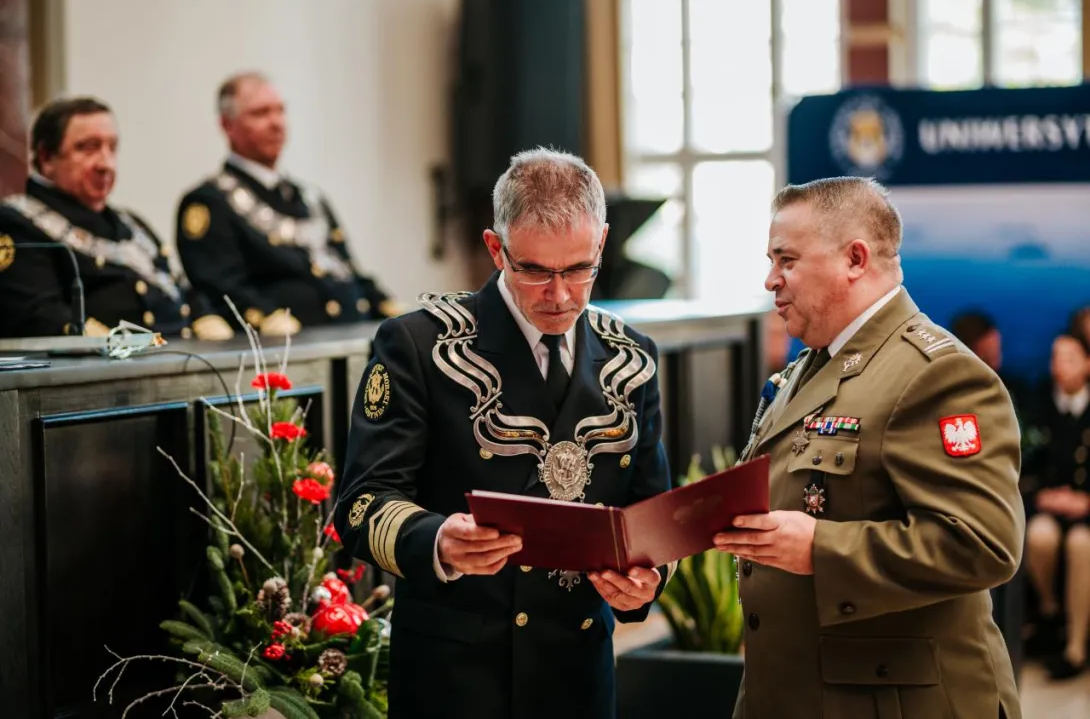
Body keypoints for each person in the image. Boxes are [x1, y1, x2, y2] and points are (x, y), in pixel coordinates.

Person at [334, 148, 673, 719]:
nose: (559, 295)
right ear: (496, 249)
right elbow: (362, 503)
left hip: (578, 674)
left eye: (579, 269)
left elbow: (651, 509)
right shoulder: (419, 346)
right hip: (457, 677)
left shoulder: (631, 356)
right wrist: (437, 539)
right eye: (535, 271)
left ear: (602, 244)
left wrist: (648, 578)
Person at [715, 176, 1024, 719]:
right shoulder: (809, 366)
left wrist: (819, 548)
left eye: (787, 260)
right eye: (771, 261)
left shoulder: (937, 373)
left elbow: (983, 543)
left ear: (854, 259)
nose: (771, 280)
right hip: (798, 689)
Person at [176, 72, 397, 337]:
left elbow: (346, 269)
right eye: (260, 113)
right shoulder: (209, 203)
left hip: (350, 340)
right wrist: (270, 319)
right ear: (227, 125)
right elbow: (222, 290)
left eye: (280, 111)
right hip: (283, 351)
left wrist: (392, 310)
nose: (276, 123)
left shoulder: (310, 198)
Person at [0, 96, 232, 340]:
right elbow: (38, 315)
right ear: (47, 157)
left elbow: (179, 287)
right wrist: (99, 339)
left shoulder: (130, 223)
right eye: (89, 148)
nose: (106, 163)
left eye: (112, 148)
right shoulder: (17, 223)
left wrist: (206, 317)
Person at [1023, 332, 1090, 679]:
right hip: (1049, 507)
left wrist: (1085, 500)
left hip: (1085, 512)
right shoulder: (1040, 406)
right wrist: (1042, 495)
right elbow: (1025, 462)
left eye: (1069, 358)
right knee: (1039, 537)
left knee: (1082, 545)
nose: (1059, 366)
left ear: (1088, 364)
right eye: (1055, 358)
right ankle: (1049, 610)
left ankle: (1076, 646)